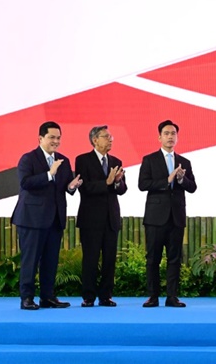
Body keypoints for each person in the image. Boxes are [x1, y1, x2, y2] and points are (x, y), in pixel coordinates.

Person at [12, 121, 82, 310]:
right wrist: (49, 174)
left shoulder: (64, 160)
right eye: (51, 137)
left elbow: (65, 186)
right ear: (40, 138)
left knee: (51, 260)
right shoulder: (28, 158)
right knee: (30, 260)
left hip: (55, 218)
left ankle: (47, 297)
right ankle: (26, 298)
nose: (56, 141)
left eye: (58, 138)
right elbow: (25, 182)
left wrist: (72, 186)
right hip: (32, 219)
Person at [138, 120, 197, 308]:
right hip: (155, 218)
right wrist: (167, 179)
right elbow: (143, 184)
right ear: (159, 137)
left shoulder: (185, 162)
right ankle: (152, 296)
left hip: (176, 217)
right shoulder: (149, 159)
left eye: (173, 133)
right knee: (153, 258)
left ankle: (172, 297)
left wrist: (181, 179)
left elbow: (193, 187)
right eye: (166, 133)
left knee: (174, 258)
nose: (170, 136)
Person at [75, 125, 127, 307]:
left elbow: (122, 190)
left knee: (109, 259)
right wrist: (107, 182)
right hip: (91, 219)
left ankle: (106, 295)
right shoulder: (82, 160)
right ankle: (88, 296)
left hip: (111, 218)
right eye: (106, 136)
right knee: (90, 258)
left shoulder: (116, 160)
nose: (111, 139)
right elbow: (85, 187)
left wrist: (118, 182)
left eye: (111, 136)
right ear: (95, 140)